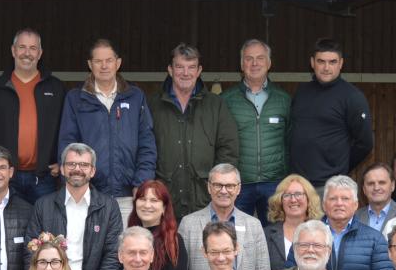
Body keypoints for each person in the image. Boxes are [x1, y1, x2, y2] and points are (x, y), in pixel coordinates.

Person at [58, 38, 155, 221]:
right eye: (98, 61)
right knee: (89, 248)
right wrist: (75, 185)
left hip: (128, 195)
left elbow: (146, 144)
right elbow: (67, 145)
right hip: (89, 193)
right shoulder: (76, 98)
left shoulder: (135, 97)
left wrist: (141, 184)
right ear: (90, 64)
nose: (104, 66)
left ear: (118, 63)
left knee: (128, 247)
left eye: (109, 60)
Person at [151, 43, 239, 216]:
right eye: (179, 67)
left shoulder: (216, 105)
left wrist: (218, 186)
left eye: (191, 67)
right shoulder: (152, 105)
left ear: (199, 71)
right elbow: (144, 149)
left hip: (205, 199)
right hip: (164, 198)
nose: (185, 73)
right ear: (170, 69)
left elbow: (229, 148)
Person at [0, 28, 65, 204]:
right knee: (8, 228)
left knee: (45, 229)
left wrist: (62, 161)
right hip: (5, 176)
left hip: (43, 177)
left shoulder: (56, 88)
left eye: (33, 48)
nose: (27, 53)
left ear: (40, 53)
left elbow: (66, 129)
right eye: (22, 47)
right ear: (13, 51)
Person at [26, 143, 122, 270]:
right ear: (63, 169)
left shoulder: (109, 207)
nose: (77, 169)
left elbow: (113, 254)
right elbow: (31, 251)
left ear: (92, 171)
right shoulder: (43, 205)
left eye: (84, 164)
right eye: (71, 164)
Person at [221, 39, 290, 224]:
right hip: (239, 183)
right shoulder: (226, 100)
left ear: (269, 63)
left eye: (260, 58)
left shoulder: (283, 99)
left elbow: (291, 140)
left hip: (274, 183)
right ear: (241, 64)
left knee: (274, 237)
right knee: (234, 236)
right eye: (249, 58)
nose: (254, 63)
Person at [287, 38, 373, 187]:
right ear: (312, 63)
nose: (326, 67)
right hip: (297, 183)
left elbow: (365, 143)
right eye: (321, 61)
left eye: (332, 62)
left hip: (328, 186)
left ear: (341, 64)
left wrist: (339, 169)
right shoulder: (301, 91)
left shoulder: (352, 97)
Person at [179, 163, 269, 270]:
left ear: (238, 189)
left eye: (230, 186)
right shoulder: (188, 224)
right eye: (218, 185)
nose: (223, 191)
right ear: (209, 188)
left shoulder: (254, 225)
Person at [321, 175, 391, 270]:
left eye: (345, 199)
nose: (339, 203)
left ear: (355, 205)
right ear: (324, 205)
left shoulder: (375, 239)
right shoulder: (307, 235)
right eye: (333, 198)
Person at [128, 179, 187, 270]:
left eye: (154, 200)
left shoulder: (173, 241)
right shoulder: (128, 238)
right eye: (142, 199)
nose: (147, 205)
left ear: (164, 207)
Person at [262, 174, 322, 270]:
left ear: (308, 198)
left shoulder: (322, 233)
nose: (293, 200)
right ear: (280, 201)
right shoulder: (266, 235)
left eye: (298, 194)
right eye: (287, 195)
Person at [353, 162, 396, 232]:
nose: (376, 188)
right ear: (364, 189)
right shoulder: (354, 217)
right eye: (371, 184)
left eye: (382, 183)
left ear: (392, 186)